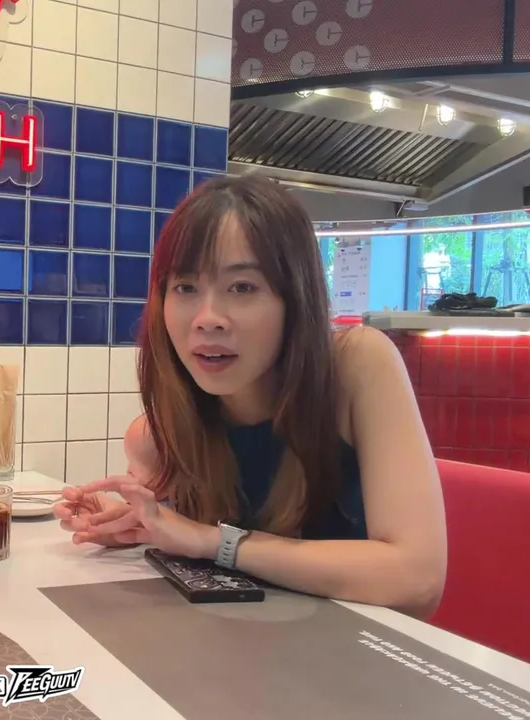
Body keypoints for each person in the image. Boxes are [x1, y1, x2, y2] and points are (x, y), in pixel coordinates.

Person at [55, 175, 447, 618]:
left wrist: (214, 541)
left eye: (242, 287)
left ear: (295, 298)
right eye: (185, 288)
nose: (207, 319)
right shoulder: (155, 438)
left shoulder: (358, 364)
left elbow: (418, 579)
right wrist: (136, 525)